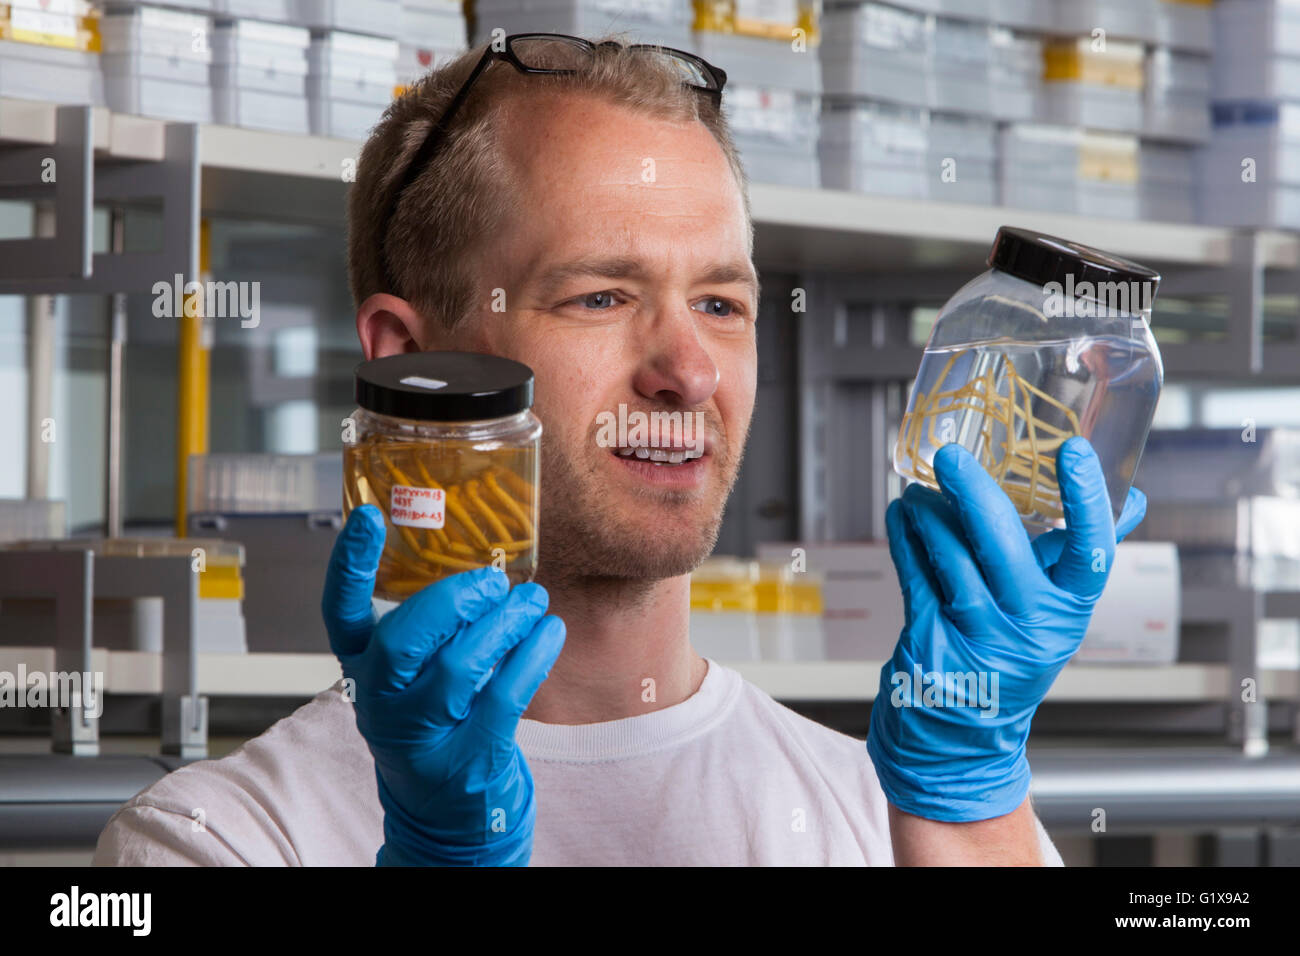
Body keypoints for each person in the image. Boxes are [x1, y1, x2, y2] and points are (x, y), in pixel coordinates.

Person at [94, 34, 1144, 866]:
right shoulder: (215, 839)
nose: (688, 372)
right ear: (410, 365)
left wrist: (968, 788)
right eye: (602, 295)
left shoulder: (890, 813)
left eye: (722, 302)